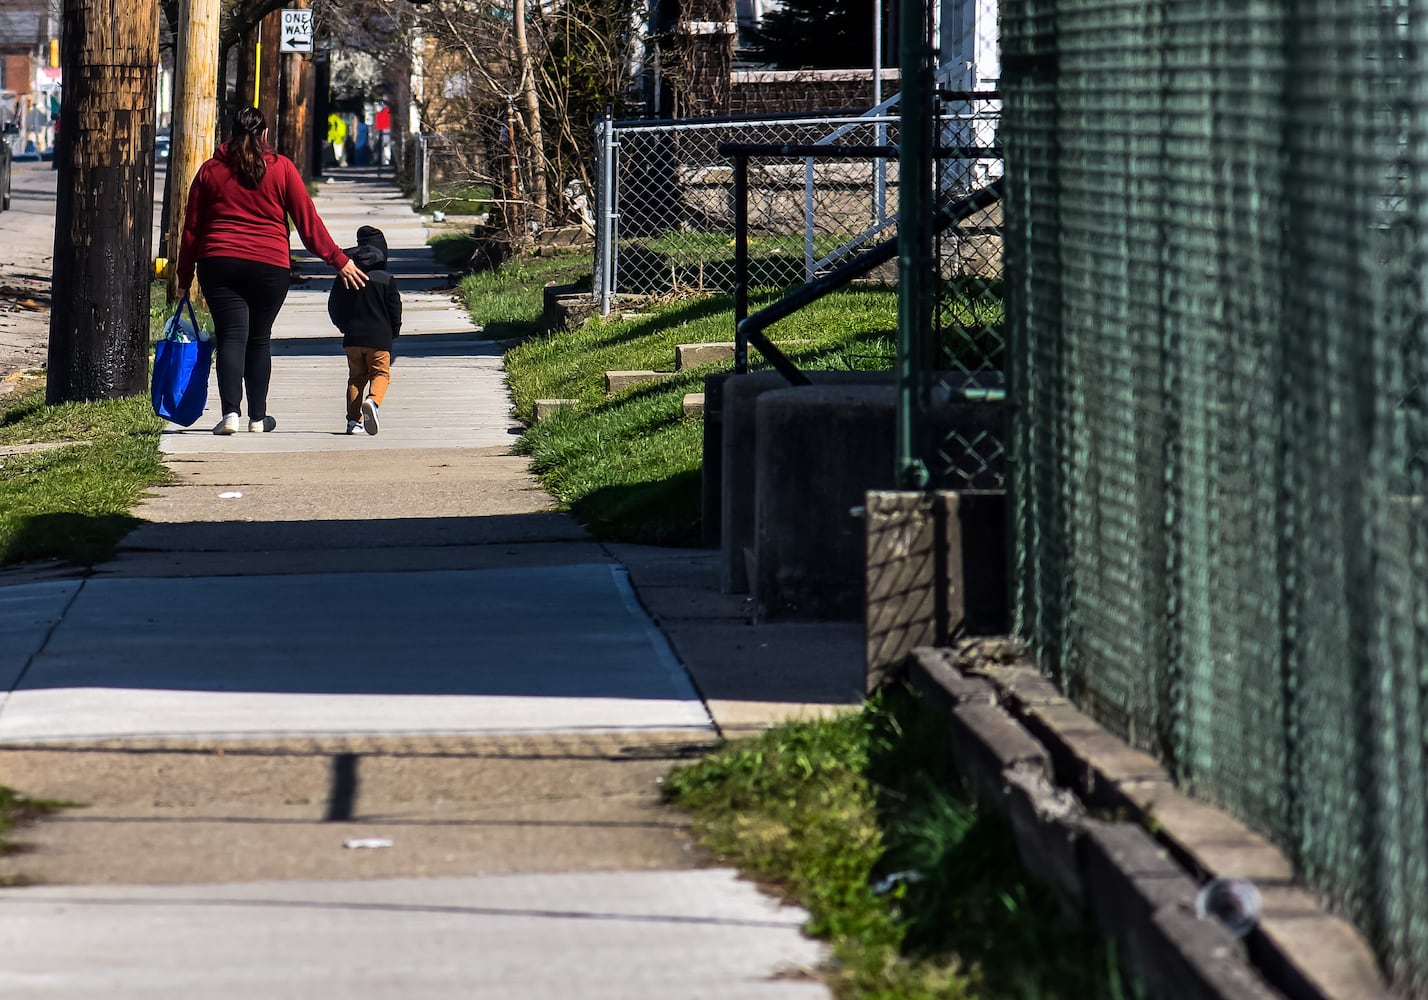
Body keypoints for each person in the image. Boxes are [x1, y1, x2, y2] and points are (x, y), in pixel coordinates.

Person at [177, 106, 366, 435]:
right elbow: (308, 224)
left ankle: (230, 414)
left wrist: (183, 277)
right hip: (269, 265)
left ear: (232, 133)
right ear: (265, 134)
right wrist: (339, 260)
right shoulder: (282, 169)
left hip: (219, 262)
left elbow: (192, 229)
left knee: (232, 337)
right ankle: (258, 419)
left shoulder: (210, 171)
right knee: (259, 340)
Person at [328, 225, 401, 435]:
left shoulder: (346, 277)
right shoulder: (387, 280)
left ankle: (353, 422)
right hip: (380, 338)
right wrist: (393, 332)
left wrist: (344, 327)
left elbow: (334, 306)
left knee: (356, 378)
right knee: (381, 374)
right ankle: (373, 401)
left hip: (352, 338)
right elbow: (395, 310)